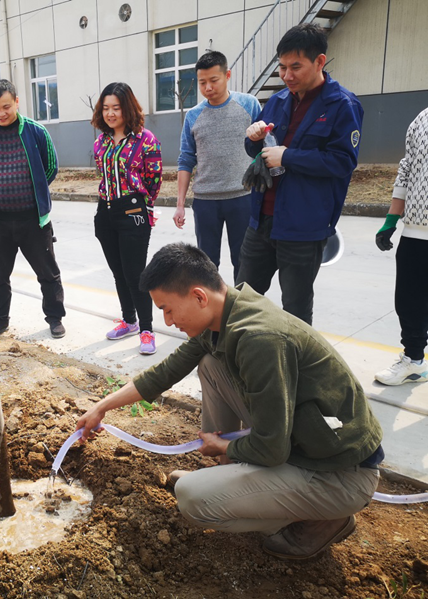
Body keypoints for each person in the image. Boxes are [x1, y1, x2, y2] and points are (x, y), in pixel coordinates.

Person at [77, 243, 384, 560]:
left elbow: (272, 448)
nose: (167, 321)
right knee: (211, 365)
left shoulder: (259, 339)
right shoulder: (228, 312)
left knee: (192, 498)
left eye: (168, 309)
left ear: (199, 296)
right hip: (306, 439)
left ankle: (322, 519)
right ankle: (234, 477)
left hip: (340, 474)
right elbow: (165, 372)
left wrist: (223, 446)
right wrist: (103, 407)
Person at [237, 23, 363, 325]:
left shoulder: (342, 105)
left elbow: (341, 162)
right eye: (282, 67)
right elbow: (256, 151)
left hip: (304, 226)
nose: (287, 76)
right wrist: (253, 138)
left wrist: (288, 157)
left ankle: (295, 369)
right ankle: (237, 363)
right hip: (261, 220)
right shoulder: (278, 101)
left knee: (295, 309)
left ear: (319, 61)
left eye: (296, 67)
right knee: (241, 299)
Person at [0, 79, 66, 339]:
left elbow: (50, 168)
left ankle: (55, 318)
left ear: (17, 103)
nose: (1, 113)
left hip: (34, 220)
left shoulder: (35, 131)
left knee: (48, 273)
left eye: (7, 107)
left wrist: (31, 190)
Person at [174, 51, 261, 283]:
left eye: (214, 80)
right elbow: (185, 160)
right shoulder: (193, 116)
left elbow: (264, 146)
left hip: (242, 197)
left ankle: (241, 311)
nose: (208, 87)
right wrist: (180, 204)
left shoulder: (249, 105)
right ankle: (211, 314)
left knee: (244, 260)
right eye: (202, 82)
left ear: (227, 75)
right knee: (206, 264)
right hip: (206, 201)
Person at [92, 82, 163, 355]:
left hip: (133, 210)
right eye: (106, 108)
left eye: (116, 108)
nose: (110, 113)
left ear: (127, 108)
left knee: (136, 273)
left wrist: (144, 206)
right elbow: (103, 175)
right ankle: (129, 321)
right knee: (118, 271)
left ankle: (146, 329)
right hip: (106, 210)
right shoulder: (102, 141)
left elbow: (154, 179)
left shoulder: (146, 140)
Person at [374, 108, 428, 386]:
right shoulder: (422, 119)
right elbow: (407, 169)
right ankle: (414, 361)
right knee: (408, 302)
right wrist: (391, 220)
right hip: (417, 230)